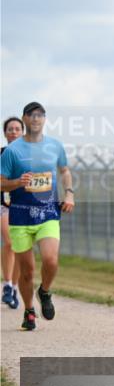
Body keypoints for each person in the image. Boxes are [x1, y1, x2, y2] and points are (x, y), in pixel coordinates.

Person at [0, 102, 74, 331]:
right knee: (27, 271)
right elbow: (1, 182)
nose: (36, 119)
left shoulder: (55, 146)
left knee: (51, 260)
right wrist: (16, 183)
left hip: (48, 213)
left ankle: (44, 291)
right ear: (24, 119)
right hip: (20, 217)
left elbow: (64, 171)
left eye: (40, 115)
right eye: (31, 115)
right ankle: (29, 311)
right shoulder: (12, 151)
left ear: (44, 119)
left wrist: (69, 193)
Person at [1, 116, 24, 309]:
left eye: (17, 129)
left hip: (24, 205)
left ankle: (15, 288)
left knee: (20, 247)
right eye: (10, 129)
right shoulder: (1, 154)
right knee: (10, 241)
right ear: (5, 133)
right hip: (4, 205)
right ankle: (7, 285)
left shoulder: (31, 156)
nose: (14, 132)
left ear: (23, 132)